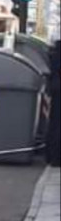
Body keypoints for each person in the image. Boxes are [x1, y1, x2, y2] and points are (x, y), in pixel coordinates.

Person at [47, 39, 60, 167]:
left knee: (55, 122)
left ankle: (52, 156)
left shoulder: (55, 50)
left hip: (56, 89)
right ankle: (56, 156)